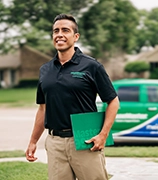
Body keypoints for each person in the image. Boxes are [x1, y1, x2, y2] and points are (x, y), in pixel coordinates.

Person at [25, 13, 119, 180]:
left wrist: (103, 134)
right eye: (56, 31)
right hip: (55, 142)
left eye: (65, 30)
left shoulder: (92, 66)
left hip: (85, 139)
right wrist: (33, 141)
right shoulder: (45, 70)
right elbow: (43, 108)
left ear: (75, 37)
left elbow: (113, 101)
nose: (59, 34)